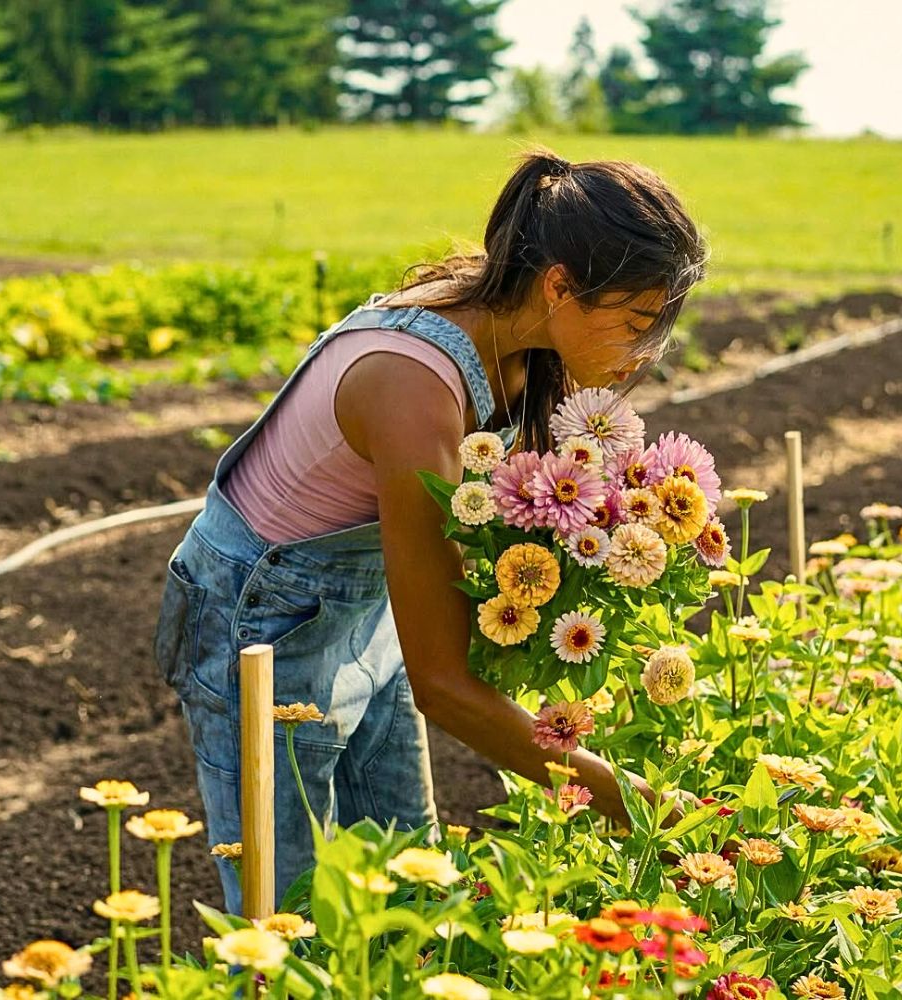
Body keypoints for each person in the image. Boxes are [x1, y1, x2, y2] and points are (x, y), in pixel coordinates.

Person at [152, 146, 708, 912]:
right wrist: (626, 799)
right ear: (558, 285)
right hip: (261, 624)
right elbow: (443, 683)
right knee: (290, 926)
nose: (646, 351)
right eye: (638, 321)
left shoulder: (518, 338)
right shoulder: (413, 384)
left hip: (363, 604)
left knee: (409, 889)